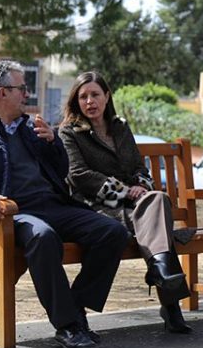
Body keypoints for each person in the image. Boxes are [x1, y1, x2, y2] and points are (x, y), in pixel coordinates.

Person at [0, 60, 129, 348]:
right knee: (43, 237)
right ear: (3, 92)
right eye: (22, 88)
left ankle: (73, 308)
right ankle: (68, 326)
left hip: (53, 206)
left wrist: (53, 143)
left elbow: (61, 173)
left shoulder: (33, 128)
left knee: (113, 232)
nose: (27, 94)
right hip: (10, 215)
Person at [58, 72, 192, 334]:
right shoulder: (69, 132)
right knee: (157, 225)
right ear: (76, 102)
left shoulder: (119, 127)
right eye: (83, 97)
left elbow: (138, 168)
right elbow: (78, 175)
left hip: (134, 207)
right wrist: (126, 192)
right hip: (93, 208)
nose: (90, 101)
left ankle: (161, 275)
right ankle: (170, 302)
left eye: (95, 95)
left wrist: (141, 186)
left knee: (157, 200)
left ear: (107, 97)